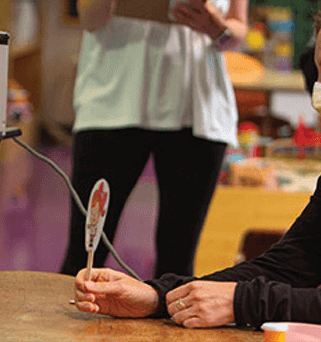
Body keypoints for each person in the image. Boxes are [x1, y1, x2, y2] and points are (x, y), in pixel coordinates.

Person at [72, 0, 321, 336]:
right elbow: (294, 262)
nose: (320, 94)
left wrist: (243, 301)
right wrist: (157, 296)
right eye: (318, 76)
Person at [61, 0, 249, 277]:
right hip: (112, 103)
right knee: (84, 254)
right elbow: (89, 18)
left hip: (196, 109)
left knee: (177, 267)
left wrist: (218, 29)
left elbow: (238, 29)